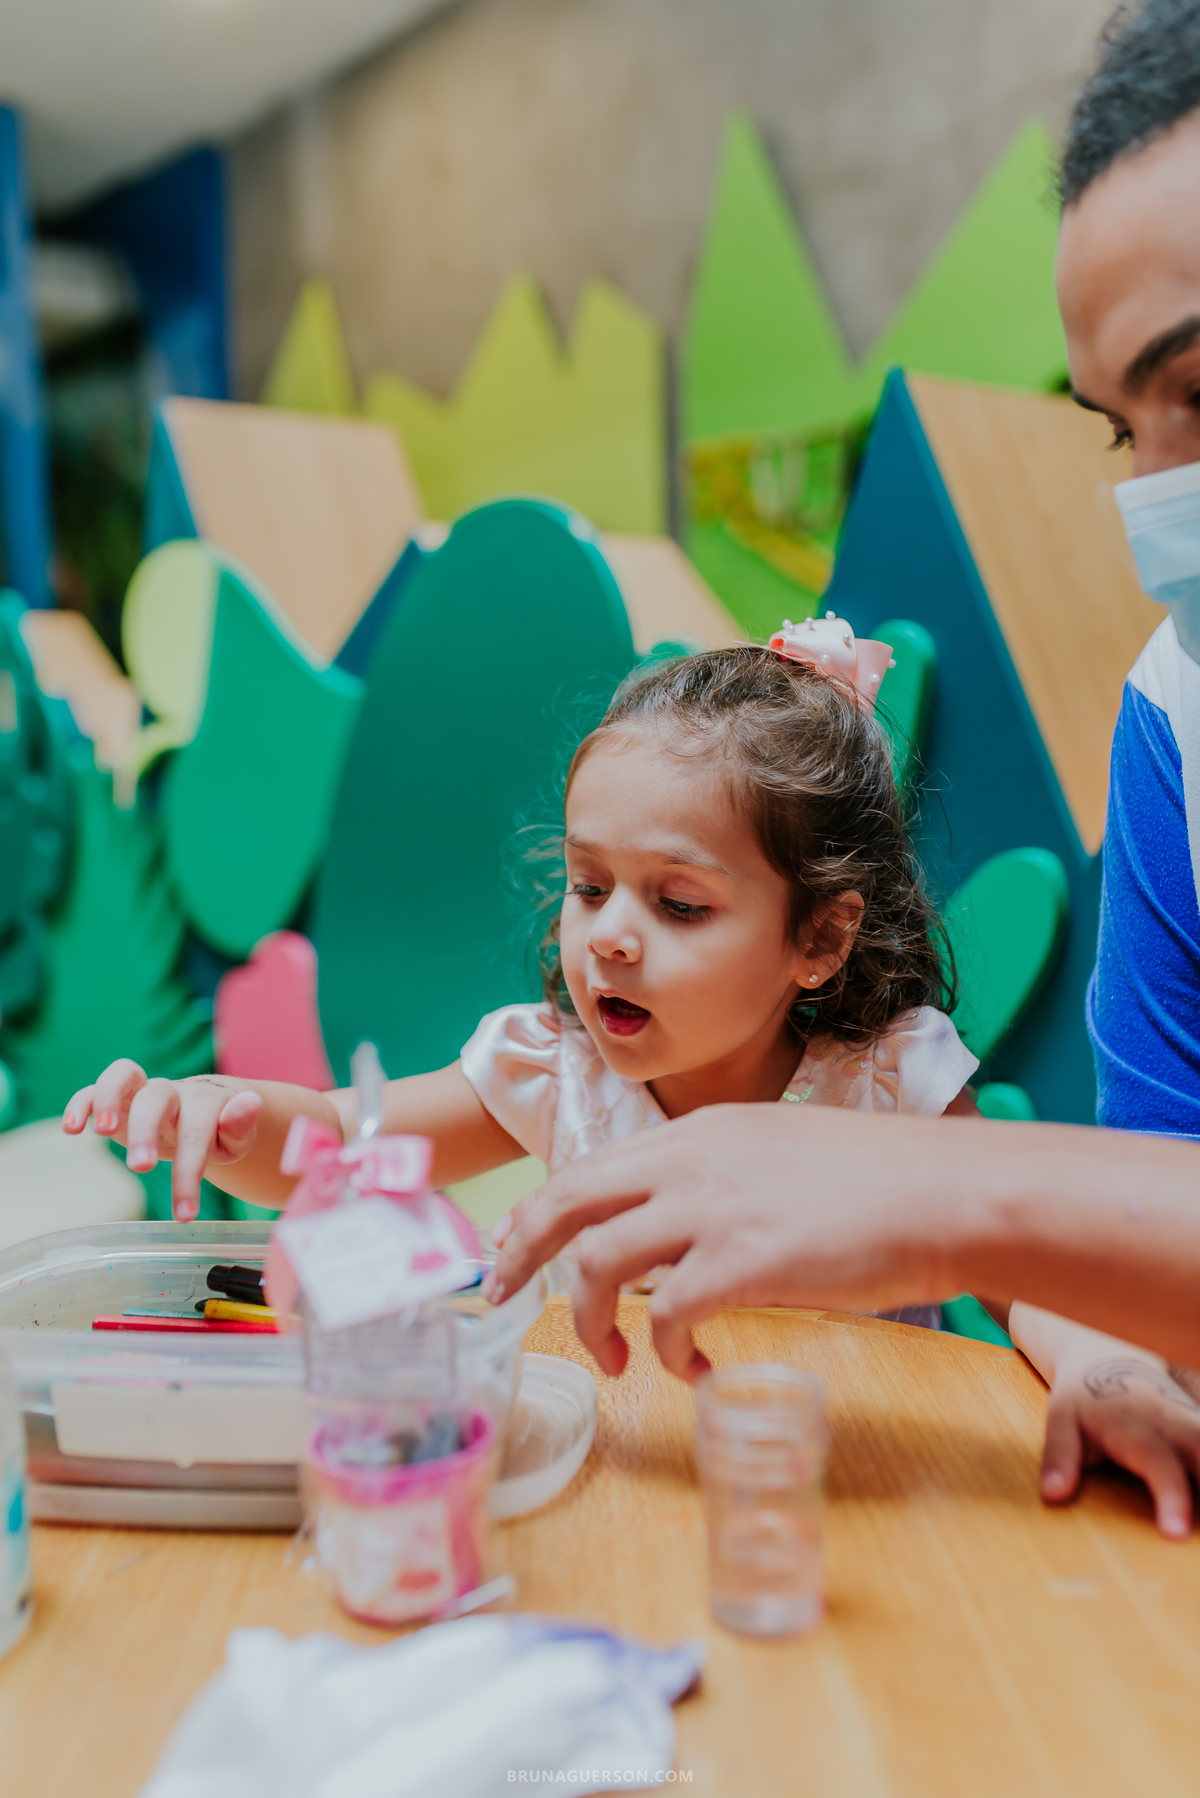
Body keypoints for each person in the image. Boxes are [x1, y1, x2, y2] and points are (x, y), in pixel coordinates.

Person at [65, 629, 1200, 1528]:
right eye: (588, 884)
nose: (607, 935)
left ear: (819, 938)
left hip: (840, 1496)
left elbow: (1027, 1266)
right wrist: (223, 1119)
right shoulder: (551, 1067)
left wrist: (1103, 1367)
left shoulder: (889, 1083)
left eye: (679, 903)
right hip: (606, 1488)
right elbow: (337, 1146)